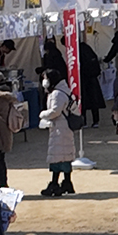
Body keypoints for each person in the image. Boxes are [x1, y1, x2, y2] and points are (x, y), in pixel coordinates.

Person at [39, 68, 77, 198]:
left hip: (59, 128)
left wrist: (42, 114)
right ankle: (67, 182)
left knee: (57, 156)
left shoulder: (57, 93)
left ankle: (54, 184)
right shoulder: (64, 90)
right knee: (65, 155)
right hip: (65, 127)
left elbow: (55, 111)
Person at [77, 39, 106, 128]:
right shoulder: (87, 49)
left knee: (83, 100)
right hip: (93, 78)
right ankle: (95, 121)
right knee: (94, 100)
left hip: (83, 78)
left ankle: (84, 121)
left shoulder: (78, 51)